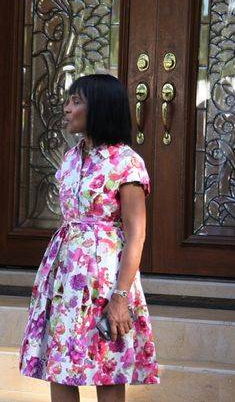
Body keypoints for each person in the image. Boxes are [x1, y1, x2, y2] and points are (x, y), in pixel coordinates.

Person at [19, 74, 159, 401]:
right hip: (65, 278)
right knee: (59, 366)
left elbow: (136, 234)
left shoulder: (127, 163)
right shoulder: (71, 157)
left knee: (106, 367)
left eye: (76, 101)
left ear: (100, 107)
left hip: (105, 280)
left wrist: (120, 297)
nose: (67, 108)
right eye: (68, 101)